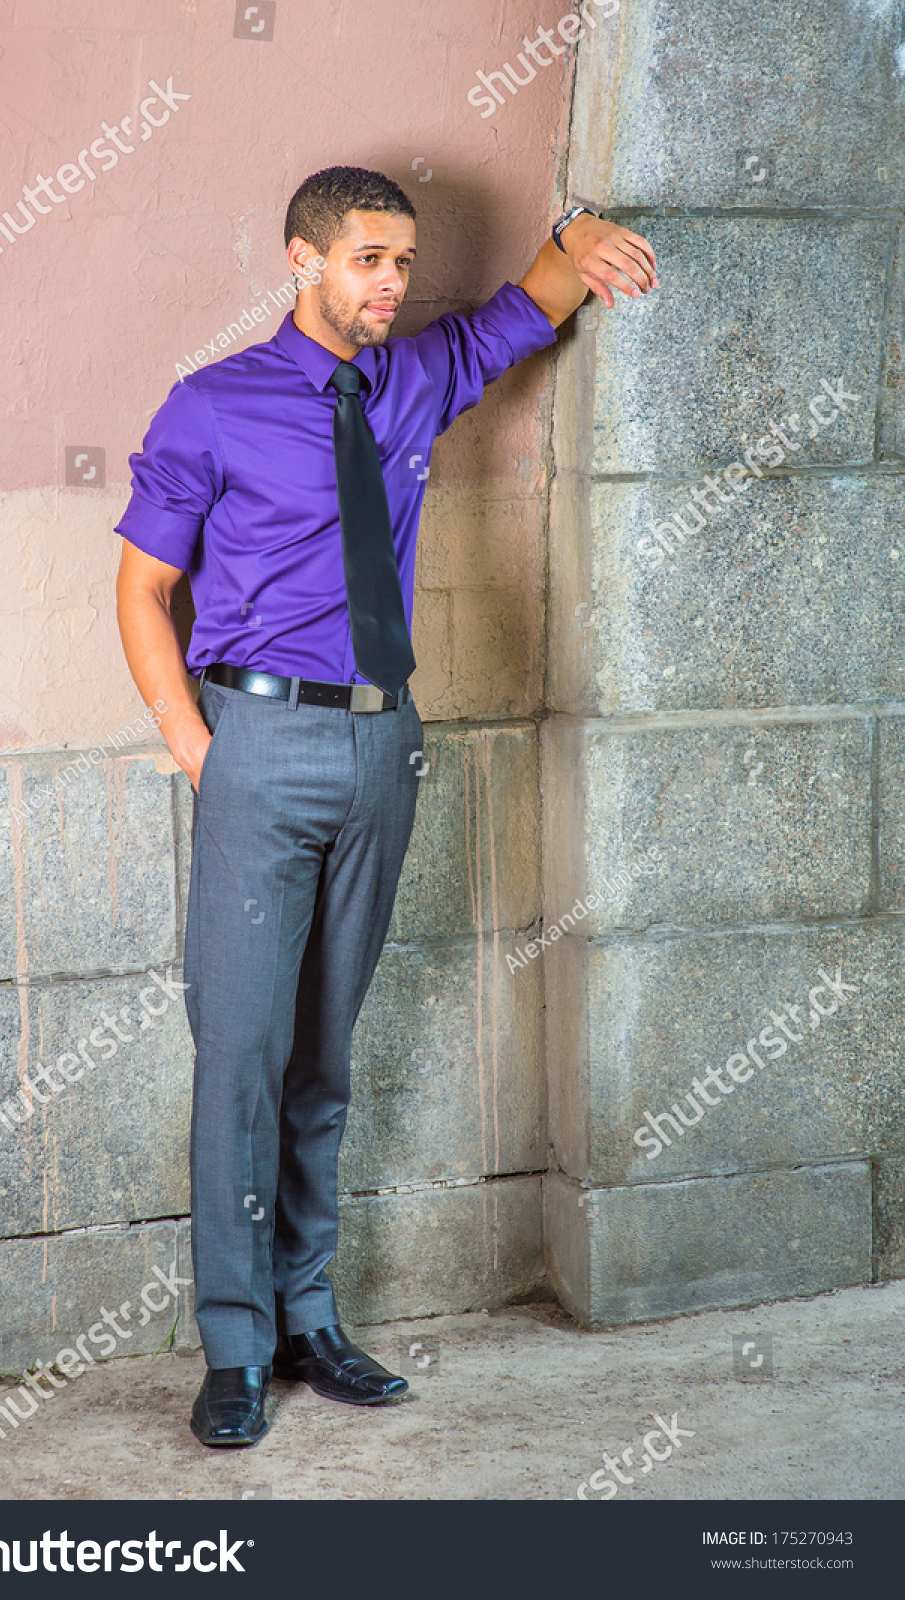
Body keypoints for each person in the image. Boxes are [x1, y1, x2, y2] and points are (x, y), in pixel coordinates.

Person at [115, 166, 656, 1447]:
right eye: (367, 261)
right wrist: (202, 750)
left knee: (323, 1058)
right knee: (240, 1055)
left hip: (380, 746)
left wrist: (583, 235)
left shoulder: (413, 376)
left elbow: (541, 294)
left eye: (403, 263)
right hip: (254, 737)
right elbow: (141, 592)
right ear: (300, 258)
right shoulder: (212, 406)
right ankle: (235, 1343)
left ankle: (310, 1316)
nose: (391, 284)